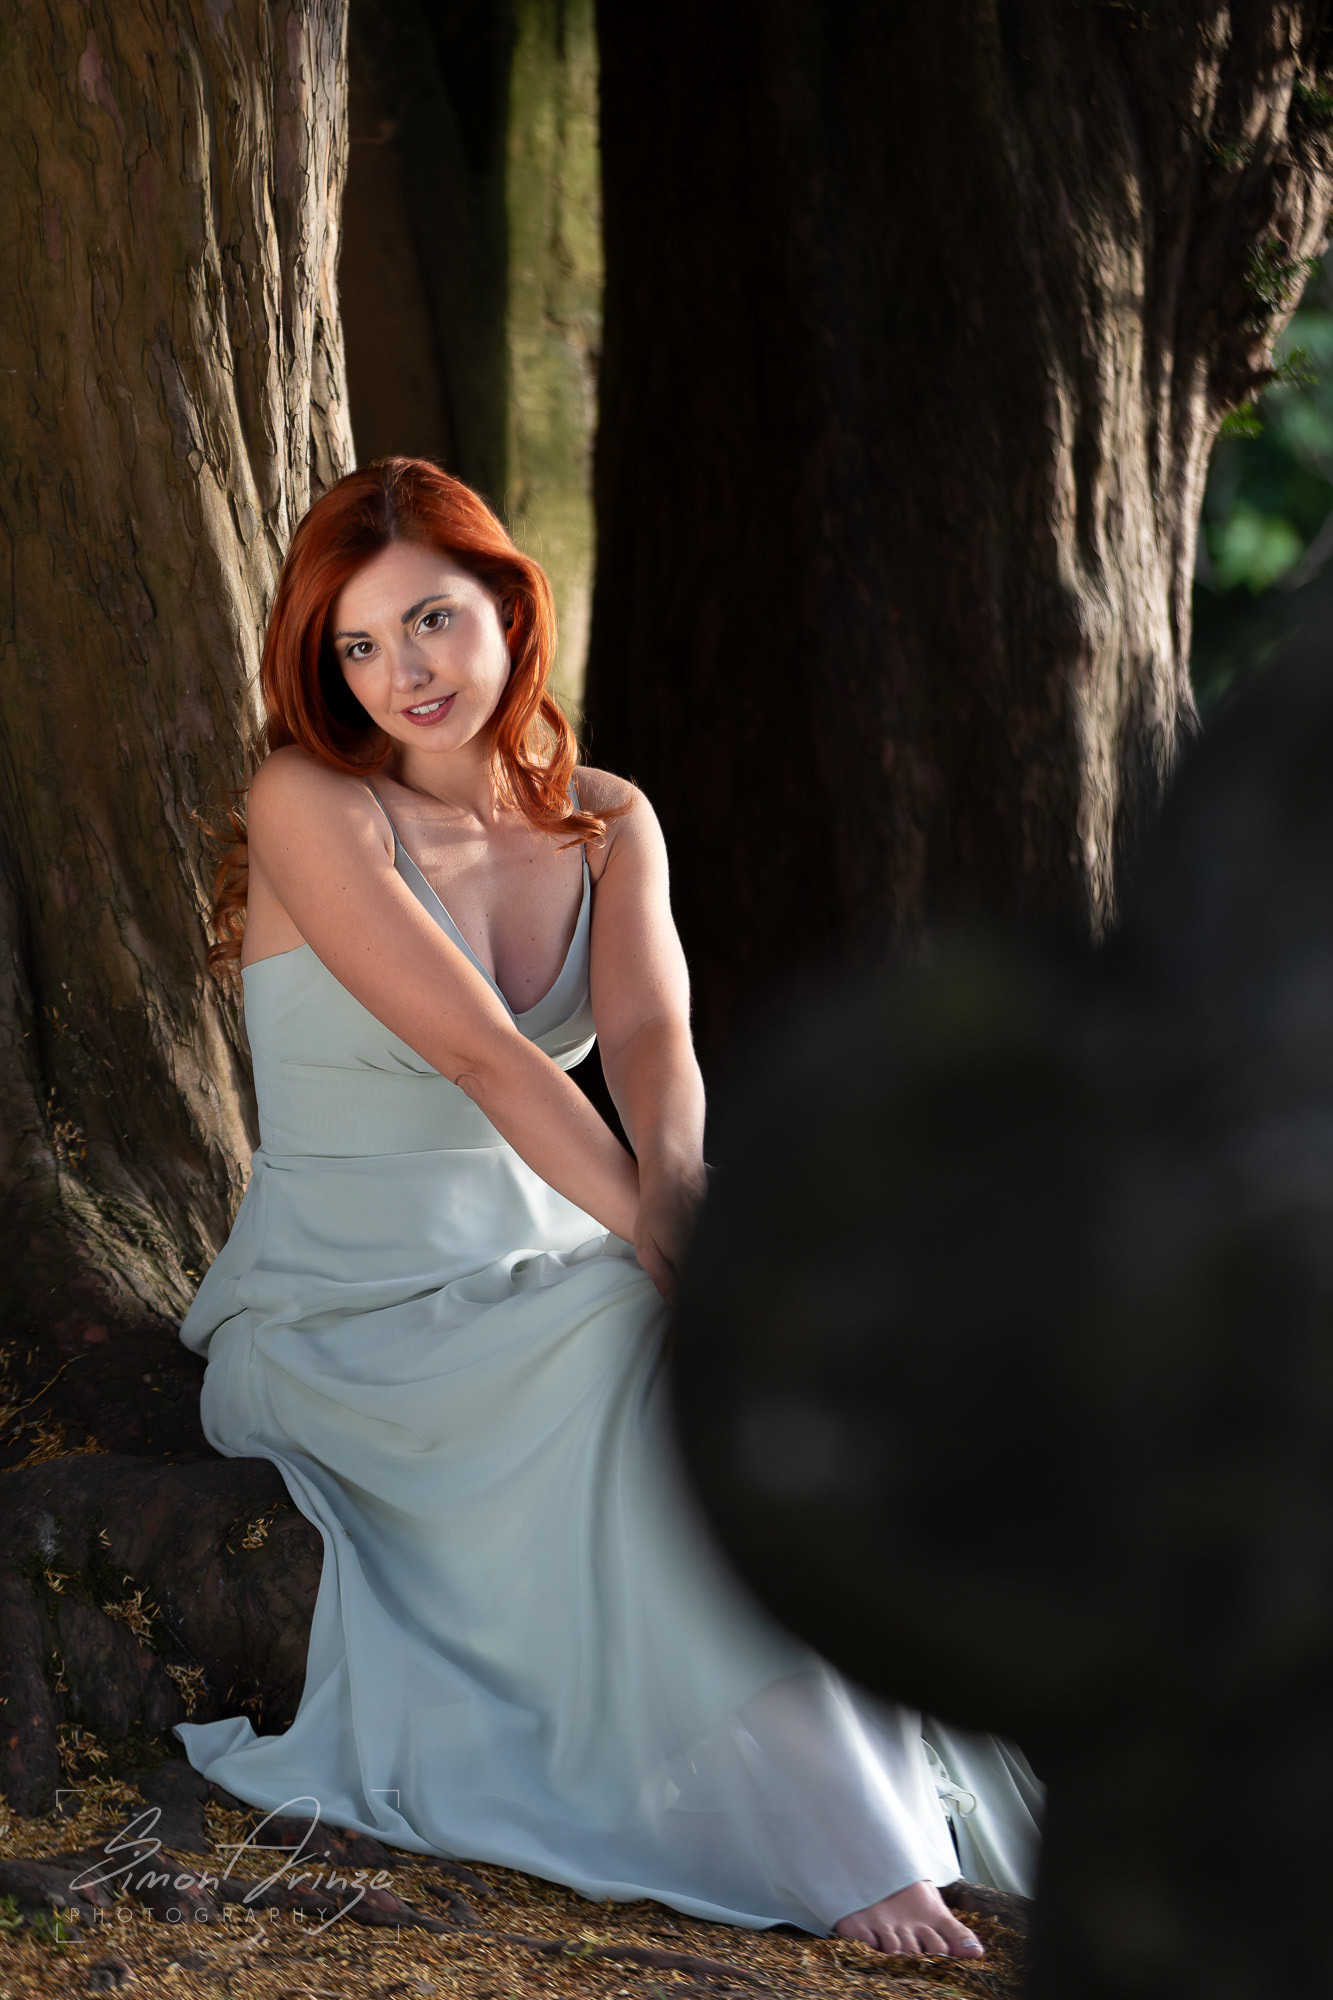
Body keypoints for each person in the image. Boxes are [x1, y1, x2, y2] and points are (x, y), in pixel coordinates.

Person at [173, 457, 1042, 1957]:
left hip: (542, 1263)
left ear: (510, 608)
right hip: (344, 1313)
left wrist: (685, 1204)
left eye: (431, 619)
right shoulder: (310, 799)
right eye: (358, 646)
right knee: (640, 1337)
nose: (402, 674)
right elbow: (487, 1057)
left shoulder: (606, 817)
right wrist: (659, 1242)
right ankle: (849, 1843)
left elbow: (647, 1037)